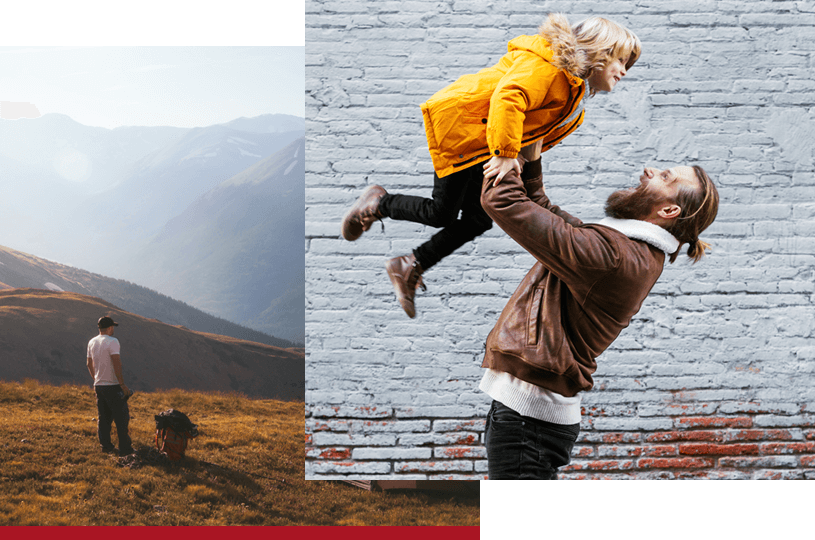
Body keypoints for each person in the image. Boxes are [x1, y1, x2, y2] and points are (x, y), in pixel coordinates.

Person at [341, 13, 641, 318]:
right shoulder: (549, 66)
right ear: (599, 52)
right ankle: (379, 203)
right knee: (441, 212)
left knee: (478, 219)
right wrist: (505, 153)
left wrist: (526, 169)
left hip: (486, 137)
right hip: (465, 125)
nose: (624, 72)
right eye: (621, 61)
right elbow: (509, 98)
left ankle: (409, 265)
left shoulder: (573, 101)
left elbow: (531, 136)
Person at [479, 146, 720, 480]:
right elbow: (541, 209)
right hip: (528, 416)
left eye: (665, 176)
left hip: (527, 420)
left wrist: (506, 150)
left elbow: (501, 202)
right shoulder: (623, 248)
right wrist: (530, 154)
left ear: (669, 209)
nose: (649, 170)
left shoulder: (613, 257)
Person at [87, 316, 134, 456]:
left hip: (99, 385)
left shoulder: (92, 342)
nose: (113, 329)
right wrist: (122, 384)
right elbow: (116, 362)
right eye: (112, 327)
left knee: (104, 418)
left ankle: (106, 446)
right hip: (113, 385)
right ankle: (125, 449)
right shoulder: (113, 342)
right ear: (109, 328)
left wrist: (96, 378)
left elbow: (89, 364)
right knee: (121, 418)